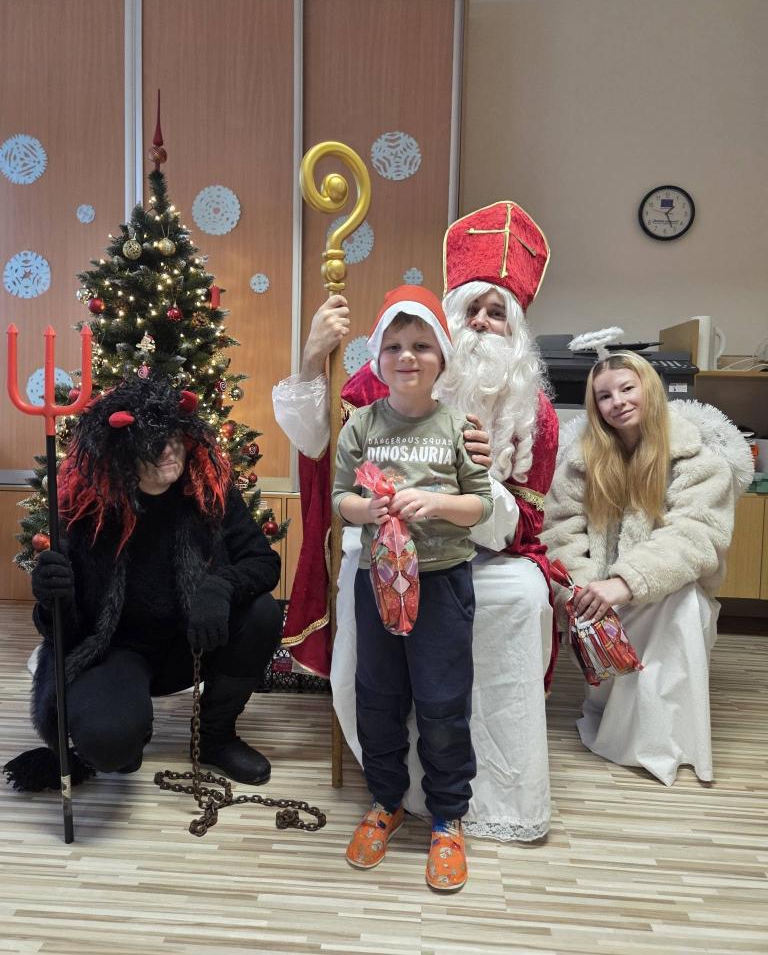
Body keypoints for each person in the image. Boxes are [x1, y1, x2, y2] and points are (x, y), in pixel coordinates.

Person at [273, 200, 560, 842]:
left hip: (472, 560)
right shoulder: (381, 388)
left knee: (466, 671)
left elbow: (518, 518)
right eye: (473, 308)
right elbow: (320, 450)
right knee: (379, 690)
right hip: (385, 560)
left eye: (497, 313)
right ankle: (387, 796)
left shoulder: (532, 412)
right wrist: (312, 357)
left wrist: (463, 491)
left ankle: (465, 805)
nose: (482, 322)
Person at [4, 377, 283, 793]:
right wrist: (50, 597)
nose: (168, 449)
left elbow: (263, 562)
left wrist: (220, 586)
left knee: (262, 613)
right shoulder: (89, 510)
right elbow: (61, 630)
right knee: (109, 744)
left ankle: (215, 736)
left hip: (195, 641)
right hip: (118, 650)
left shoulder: (208, 490)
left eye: (174, 437)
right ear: (122, 452)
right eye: (151, 441)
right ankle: (128, 730)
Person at [332, 285, 493, 891]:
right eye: (394, 346)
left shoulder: (458, 426)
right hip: (377, 583)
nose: (407, 356)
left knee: (443, 703)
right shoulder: (360, 425)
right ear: (377, 358)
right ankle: (386, 802)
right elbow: (341, 496)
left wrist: (438, 502)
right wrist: (365, 509)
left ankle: (448, 816)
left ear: (441, 357)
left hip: (443, 582)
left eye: (422, 345)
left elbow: (480, 505)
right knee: (377, 697)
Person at [541, 351, 752, 785]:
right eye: (604, 396)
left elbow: (695, 535)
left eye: (627, 388)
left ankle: (663, 741)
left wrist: (628, 582)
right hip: (599, 596)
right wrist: (583, 589)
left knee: (680, 605)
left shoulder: (697, 458)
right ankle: (622, 725)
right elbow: (560, 533)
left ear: (650, 389)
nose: (617, 401)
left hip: (670, 591)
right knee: (613, 611)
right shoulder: (581, 462)